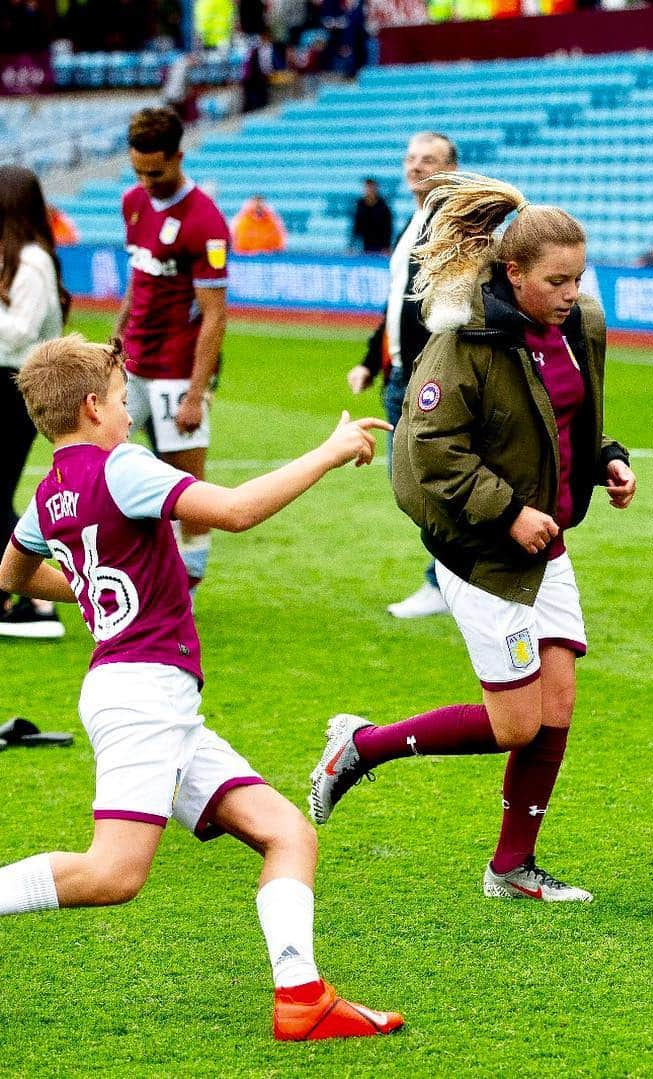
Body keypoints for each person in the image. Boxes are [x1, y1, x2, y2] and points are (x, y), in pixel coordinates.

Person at [0, 333, 400, 1042]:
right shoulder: (123, 465)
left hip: (154, 698)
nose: (131, 415)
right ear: (93, 407)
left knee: (288, 833)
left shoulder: (47, 493)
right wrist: (330, 450)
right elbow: (238, 509)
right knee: (114, 873)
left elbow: (12, 576)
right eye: (124, 401)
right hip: (144, 692)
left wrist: (96, 593)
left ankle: (301, 995)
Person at [311, 173, 638, 903]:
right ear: (513, 272)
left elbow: (567, 418)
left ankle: (511, 868)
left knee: (557, 707)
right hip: (480, 550)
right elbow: (428, 449)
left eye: (578, 277)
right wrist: (508, 511)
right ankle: (361, 747)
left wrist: (607, 458)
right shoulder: (463, 341)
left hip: (542, 545)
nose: (569, 292)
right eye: (555, 279)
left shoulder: (581, 324)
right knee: (517, 722)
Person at [115, 107, 229, 597]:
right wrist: (115, 341)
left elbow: (215, 316)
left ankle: (189, 590)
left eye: (156, 172)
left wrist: (194, 393)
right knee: (105, 461)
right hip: (133, 363)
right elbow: (136, 282)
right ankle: (140, 567)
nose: (147, 182)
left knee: (190, 486)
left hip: (176, 374)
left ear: (179, 157)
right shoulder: (133, 202)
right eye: (138, 171)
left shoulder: (205, 221)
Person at [345, 131, 458, 619]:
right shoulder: (411, 223)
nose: (416, 166)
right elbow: (396, 303)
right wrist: (372, 360)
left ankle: (445, 582)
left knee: (430, 482)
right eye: (411, 158)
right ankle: (452, 578)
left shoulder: (453, 226)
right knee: (410, 483)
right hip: (400, 373)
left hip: (428, 375)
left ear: (450, 170)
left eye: (429, 160)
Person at [0, 165, 68, 640]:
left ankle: (41, 600)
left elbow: (21, 333)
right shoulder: (16, 257)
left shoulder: (34, 260)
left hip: (16, 388)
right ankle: (18, 594)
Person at [349, 177, 392, 255]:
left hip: (380, 243)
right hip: (364, 243)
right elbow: (356, 226)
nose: (369, 190)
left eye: (371, 187)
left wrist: (387, 246)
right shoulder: (360, 204)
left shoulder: (383, 205)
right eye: (367, 187)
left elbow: (388, 228)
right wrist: (352, 244)